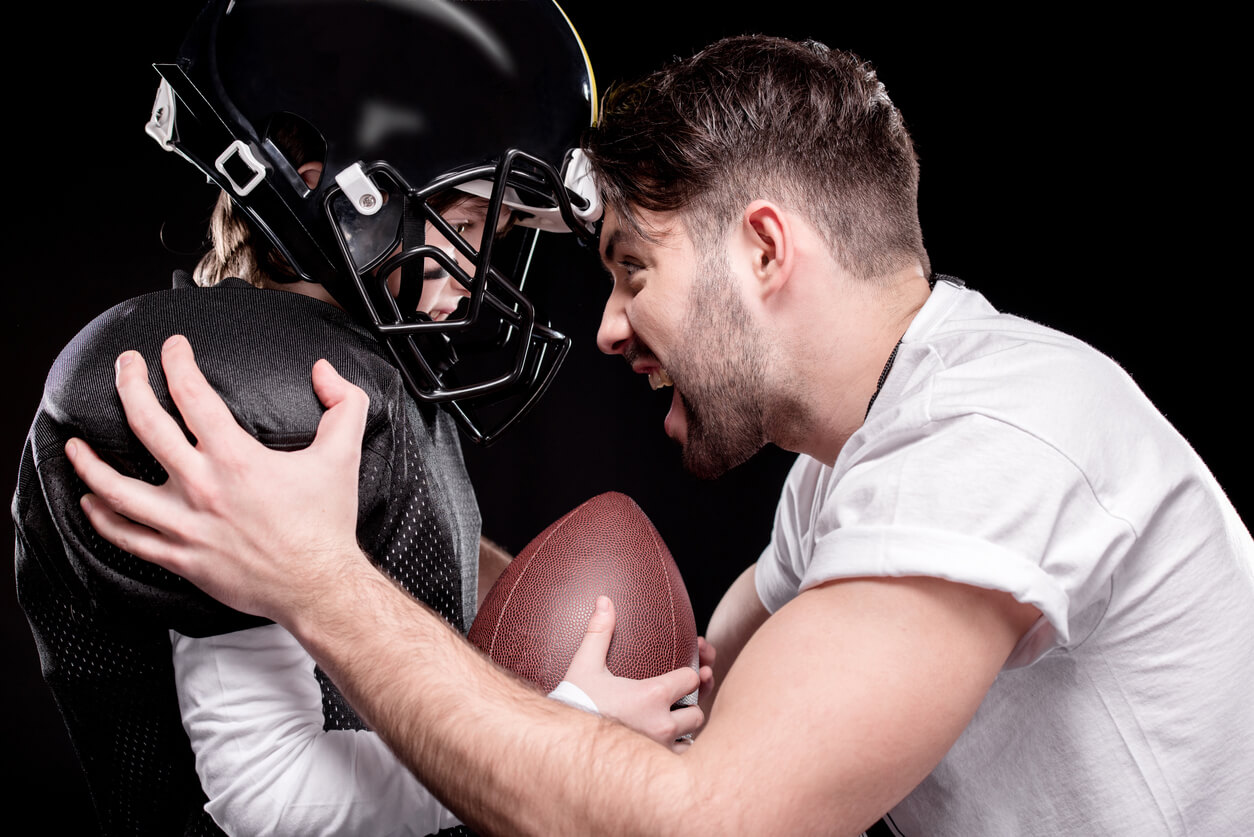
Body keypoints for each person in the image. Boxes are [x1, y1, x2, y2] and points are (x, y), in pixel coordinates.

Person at [66, 33, 1252, 836]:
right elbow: (671, 691)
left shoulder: (996, 440)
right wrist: (349, 524)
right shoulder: (854, 476)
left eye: (633, 268)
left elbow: (704, 821)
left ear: (767, 250)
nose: (608, 327)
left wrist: (317, 585)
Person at [14, 2, 703, 834]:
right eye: (473, 221)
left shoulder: (340, 365)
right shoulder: (240, 390)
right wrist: (567, 728)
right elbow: (268, 797)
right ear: (328, 188)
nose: (484, 271)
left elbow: (384, 568)